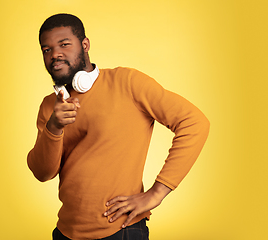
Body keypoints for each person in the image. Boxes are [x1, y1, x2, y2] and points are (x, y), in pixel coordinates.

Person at [27, 13, 210, 240]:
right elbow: (43, 173)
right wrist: (54, 127)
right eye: (47, 49)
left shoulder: (127, 82)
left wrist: (157, 192)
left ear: (85, 45)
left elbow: (194, 122)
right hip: (65, 232)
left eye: (64, 44)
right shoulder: (50, 106)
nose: (55, 54)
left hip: (121, 232)